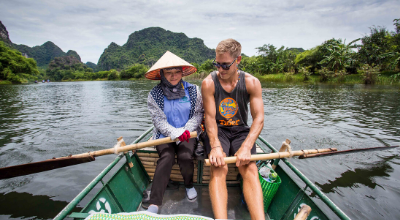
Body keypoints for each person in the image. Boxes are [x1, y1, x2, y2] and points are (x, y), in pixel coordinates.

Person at [201, 39, 265, 219]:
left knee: (250, 168)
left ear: (238, 60)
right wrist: (215, 146)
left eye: (225, 65)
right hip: (218, 129)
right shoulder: (209, 83)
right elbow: (210, 118)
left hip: (240, 130)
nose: (220, 70)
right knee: (219, 167)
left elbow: (258, 118)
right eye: (217, 64)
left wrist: (246, 146)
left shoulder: (252, 82)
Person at [145, 51, 204, 214]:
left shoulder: (193, 90)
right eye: (168, 73)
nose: (173, 76)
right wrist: (174, 132)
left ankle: (189, 185)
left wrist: (185, 130)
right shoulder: (154, 95)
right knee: (167, 157)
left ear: (182, 72)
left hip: (188, 133)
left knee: (185, 156)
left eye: (177, 72)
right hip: (164, 135)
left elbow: (198, 113)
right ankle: (154, 203)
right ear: (162, 74)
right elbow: (158, 120)